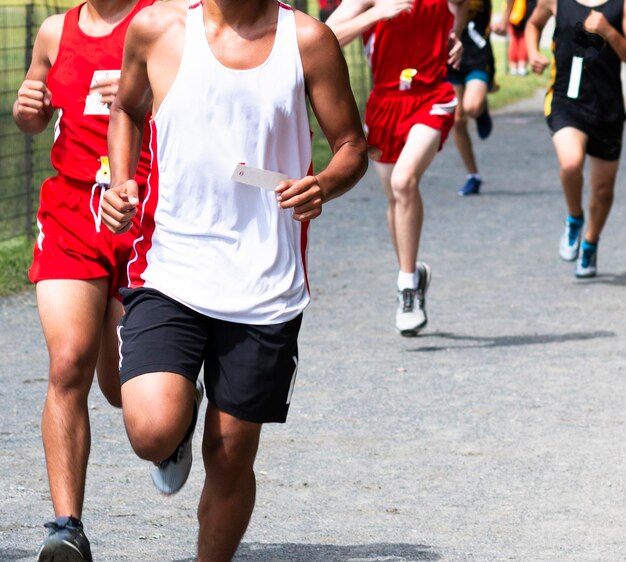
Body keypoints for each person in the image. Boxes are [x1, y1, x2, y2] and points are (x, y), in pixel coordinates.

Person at [99, 0, 368, 559]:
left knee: (230, 457)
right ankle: (179, 416)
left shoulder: (309, 40)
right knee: (151, 428)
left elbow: (352, 147)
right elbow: (125, 109)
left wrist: (324, 184)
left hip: (264, 283)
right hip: (170, 264)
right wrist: (122, 181)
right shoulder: (158, 29)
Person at [12, 0, 154, 559]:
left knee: (123, 390)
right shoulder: (54, 31)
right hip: (72, 209)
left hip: (142, 208)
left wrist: (144, 89)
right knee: (69, 359)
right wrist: (29, 107)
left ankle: (174, 408)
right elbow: (34, 116)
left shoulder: (161, 21)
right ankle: (65, 528)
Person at [326, 0, 467, 335]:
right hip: (386, 105)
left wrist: (455, 37)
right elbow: (325, 36)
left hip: (433, 96)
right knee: (395, 198)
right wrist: (374, 14)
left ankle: (406, 288)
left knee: (404, 183)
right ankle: (412, 272)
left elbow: (459, 9)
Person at [526, 0, 626, 278]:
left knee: (603, 191)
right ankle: (574, 217)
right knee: (571, 163)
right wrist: (533, 52)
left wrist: (608, 30)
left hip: (607, 106)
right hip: (566, 99)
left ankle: (591, 242)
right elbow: (533, 24)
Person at [448, 0, 505, 196]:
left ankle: (480, 109)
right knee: (457, 120)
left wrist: (505, 19)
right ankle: (472, 175)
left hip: (477, 52)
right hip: (448, 56)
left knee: (471, 107)